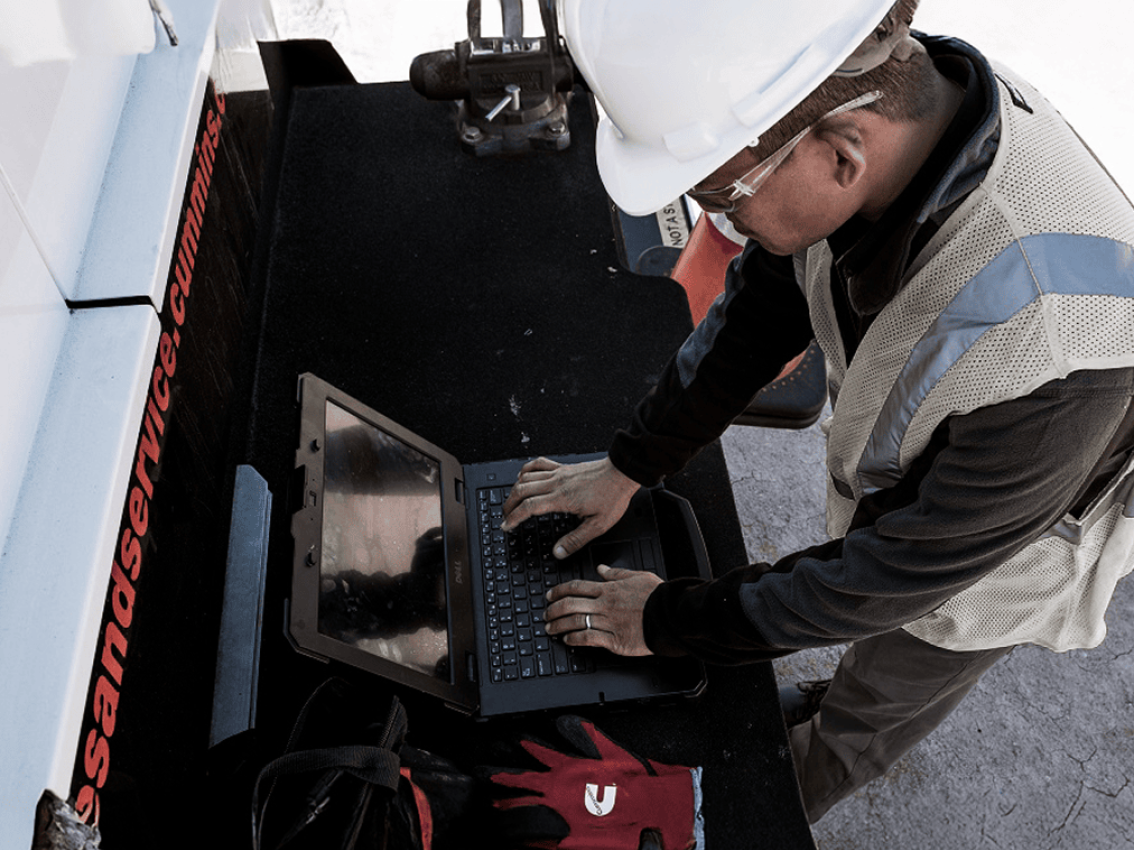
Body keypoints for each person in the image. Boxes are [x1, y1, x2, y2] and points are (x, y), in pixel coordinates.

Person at [500, 0, 1134, 823]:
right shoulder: (891, 105)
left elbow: (884, 580)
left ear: (840, 157)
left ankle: (762, 803)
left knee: (881, 697)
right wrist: (633, 463)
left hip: (990, 568)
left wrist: (666, 618)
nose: (722, 223)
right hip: (919, 520)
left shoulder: (1058, 352)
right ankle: (822, 699)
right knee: (843, 625)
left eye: (723, 196)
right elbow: (765, 305)